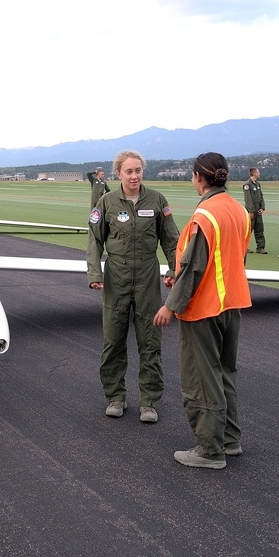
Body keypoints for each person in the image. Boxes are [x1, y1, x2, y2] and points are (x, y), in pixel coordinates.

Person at [153, 152, 251, 470]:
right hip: (232, 303)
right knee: (224, 374)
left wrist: (171, 305)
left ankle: (210, 450)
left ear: (198, 177)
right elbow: (229, 259)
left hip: (204, 308)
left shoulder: (205, 215)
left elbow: (195, 267)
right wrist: (177, 275)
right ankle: (229, 440)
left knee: (200, 378)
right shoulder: (239, 210)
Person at [87, 150, 179, 424]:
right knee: (113, 339)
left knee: (149, 339)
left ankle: (149, 402)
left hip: (148, 275)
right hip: (116, 274)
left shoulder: (157, 200)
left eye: (138, 170)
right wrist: (94, 271)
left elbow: (171, 239)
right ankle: (116, 397)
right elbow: (94, 240)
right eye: (129, 171)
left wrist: (174, 269)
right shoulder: (106, 202)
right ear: (119, 174)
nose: (134, 175)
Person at [242, 167, 266, 254]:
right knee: (248, 230)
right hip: (251, 210)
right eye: (258, 172)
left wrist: (262, 208)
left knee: (259, 229)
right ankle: (244, 247)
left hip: (258, 210)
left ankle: (260, 247)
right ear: (254, 173)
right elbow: (248, 199)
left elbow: (261, 196)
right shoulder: (247, 185)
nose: (259, 173)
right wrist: (251, 211)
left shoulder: (258, 184)